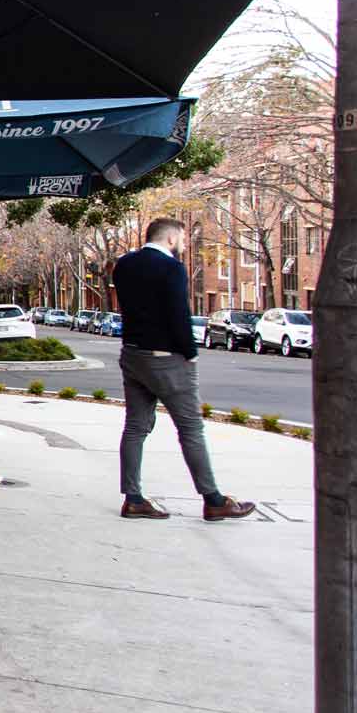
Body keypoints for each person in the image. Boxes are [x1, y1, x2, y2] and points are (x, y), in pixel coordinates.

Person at [112, 219, 255, 521]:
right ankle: (213, 499)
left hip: (133, 354)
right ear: (171, 238)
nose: (185, 245)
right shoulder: (172, 269)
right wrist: (190, 353)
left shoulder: (123, 266)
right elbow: (179, 313)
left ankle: (133, 498)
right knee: (191, 429)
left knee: (135, 427)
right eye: (183, 239)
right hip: (168, 359)